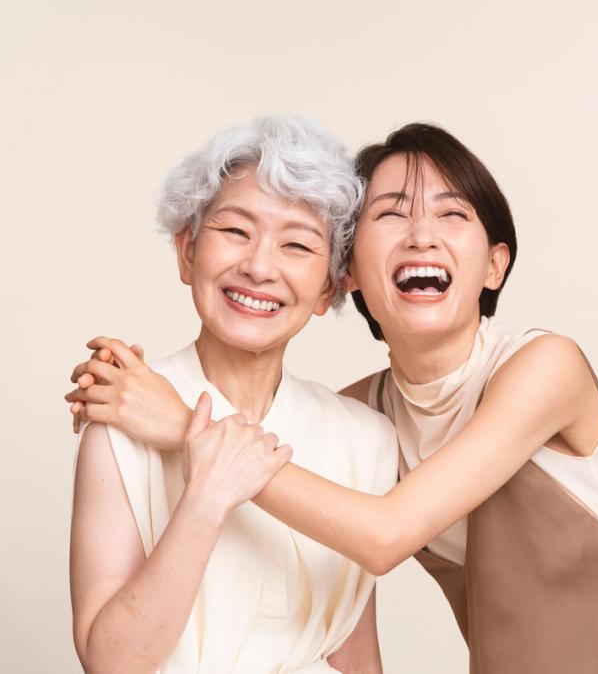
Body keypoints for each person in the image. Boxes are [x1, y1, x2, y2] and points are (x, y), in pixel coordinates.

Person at [68, 123, 598, 673]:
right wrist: (140, 398)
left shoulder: (543, 367)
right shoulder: (361, 419)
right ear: (351, 274)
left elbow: (382, 537)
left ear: (495, 265)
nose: (420, 235)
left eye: (451, 213)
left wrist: (187, 426)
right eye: (391, 213)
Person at [68, 117, 397, 674]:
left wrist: (192, 435)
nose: (260, 266)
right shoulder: (119, 414)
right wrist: (207, 496)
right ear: (186, 252)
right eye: (235, 231)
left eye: (296, 244)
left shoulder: (364, 436)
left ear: (328, 289)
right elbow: (112, 663)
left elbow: (353, 652)